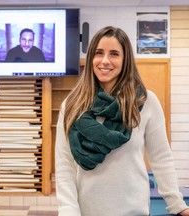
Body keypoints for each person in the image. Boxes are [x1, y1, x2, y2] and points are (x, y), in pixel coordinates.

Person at [55, 26, 189, 216]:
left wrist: (177, 204)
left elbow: (161, 158)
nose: (105, 61)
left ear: (125, 60)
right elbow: (64, 164)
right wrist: (68, 210)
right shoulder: (72, 105)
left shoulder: (145, 102)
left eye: (115, 54)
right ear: (91, 57)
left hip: (135, 210)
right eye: (99, 53)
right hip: (87, 211)